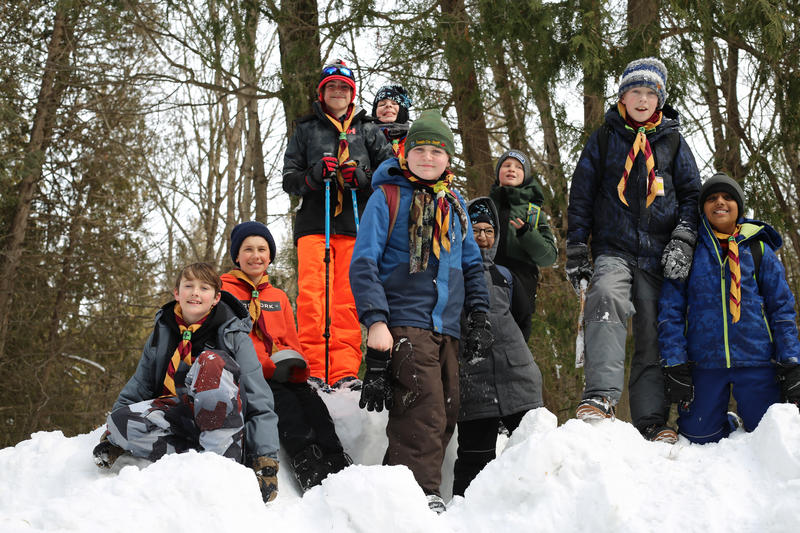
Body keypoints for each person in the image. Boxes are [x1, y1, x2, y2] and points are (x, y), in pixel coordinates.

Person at [349, 109, 491, 513]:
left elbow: (470, 265)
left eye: (436, 151)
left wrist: (478, 315)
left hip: (448, 325)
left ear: (448, 159)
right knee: (423, 408)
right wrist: (376, 321)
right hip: (405, 323)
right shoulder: (386, 198)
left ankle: (396, 494)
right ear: (405, 154)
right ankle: (418, 496)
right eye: (420, 150)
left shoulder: (455, 204)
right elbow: (363, 263)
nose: (428, 158)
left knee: (447, 409)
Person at [565, 57, 701, 443]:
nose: (642, 99)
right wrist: (577, 245)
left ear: (659, 99)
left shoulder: (673, 141)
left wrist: (684, 237)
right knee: (605, 296)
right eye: (634, 91)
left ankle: (652, 419)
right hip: (615, 247)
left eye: (650, 92)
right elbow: (583, 193)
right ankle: (601, 397)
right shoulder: (605, 138)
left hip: (660, 254)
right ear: (622, 97)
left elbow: (692, 194)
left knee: (654, 329)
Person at [92, 263, 281, 502]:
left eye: (204, 288)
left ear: (215, 298)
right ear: (176, 293)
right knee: (120, 421)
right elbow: (140, 383)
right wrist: (113, 435)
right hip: (180, 415)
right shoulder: (164, 331)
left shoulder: (233, 335)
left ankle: (222, 463)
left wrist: (266, 459)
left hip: (225, 419)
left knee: (210, 362)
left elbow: (258, 397)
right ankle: (192, 460)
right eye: (188, 286)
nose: (195, 293)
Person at [658, 173, 800, 443]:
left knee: (768, 435)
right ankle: (725, 420)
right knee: (699, 437)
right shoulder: (691, 252)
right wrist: (674, 362)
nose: (719, 202)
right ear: (703, 208)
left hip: (757, 361)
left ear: (739, 206)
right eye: (711, 198)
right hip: (705, 362)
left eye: (727, 197)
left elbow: (782, 310)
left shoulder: (759, 250)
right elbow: (671, 310)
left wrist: (791, 362)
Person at [282, 60, 393, 390]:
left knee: (346, 299)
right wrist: (312, 177)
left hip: (354, 225)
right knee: (313, 299)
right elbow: (289, 179)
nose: (338, 92)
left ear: (352, 93)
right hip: (315, 222)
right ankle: (313, 369)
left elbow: (390, 176)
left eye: (344, 87)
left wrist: (363, 178)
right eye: (331, 87)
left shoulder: (369, 129)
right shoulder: (305, 129)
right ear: (322, 92)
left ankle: (345, 371)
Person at [221, 221, 351, 491]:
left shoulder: (277, 296)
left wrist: (299, 368)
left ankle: (336, 459)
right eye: (248, 249)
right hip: (251, 373)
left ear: (270, 256)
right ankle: (307, 463)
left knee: (312, 403)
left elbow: (290, 338)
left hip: (280, 370)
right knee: (284, 405)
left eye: (262, 249)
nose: (255, 256)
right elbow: (235, 339)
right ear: (236, 256)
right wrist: (266, 366)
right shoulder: (225, 292)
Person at [452, 197, 544, 497]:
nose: (482, 237)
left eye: (489, 231)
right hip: (473, 382)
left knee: (536, 456)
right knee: (473, 463)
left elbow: (523, 320)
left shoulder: (505, 276)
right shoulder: (452, 274)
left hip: (518, 378)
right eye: (475, 230)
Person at [489, 150, 558, 338]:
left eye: (519, 167)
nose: (512, 169)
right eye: (506, 165)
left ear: (525, 176)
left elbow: (548, 257)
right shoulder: (484, 206)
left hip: (521, 292)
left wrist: (527, 234)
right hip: (485, 287)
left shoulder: (534, 213)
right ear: (498, 173)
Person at [371, 84, 412, 156]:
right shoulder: (366, 138)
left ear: (402, 110)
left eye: (394, 103)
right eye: (382, 104)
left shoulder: (415, 140)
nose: (388, 105)